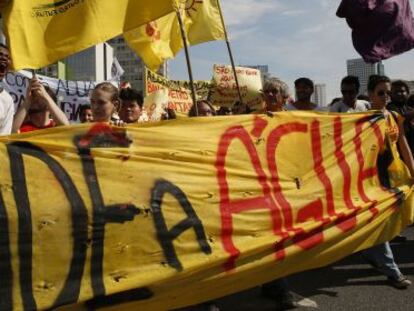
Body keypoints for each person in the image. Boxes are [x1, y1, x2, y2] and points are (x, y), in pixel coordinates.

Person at [361, 74, 413, 289]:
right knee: (381, 220)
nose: (385, 96)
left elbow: (403, 144)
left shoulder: (393, 116)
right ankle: (392, 271)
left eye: (388, 93)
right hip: (370, 178)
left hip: (393, 174)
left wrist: (412, 168)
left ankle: (368, 252)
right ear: (371, 94)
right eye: (381, 93)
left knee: (388, 219)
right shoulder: (362, 120)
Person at [0, 44, 14, 135]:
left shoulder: (7, 100)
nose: (4, 58)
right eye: (0, 54)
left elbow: (4, 136)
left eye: (7, 57)